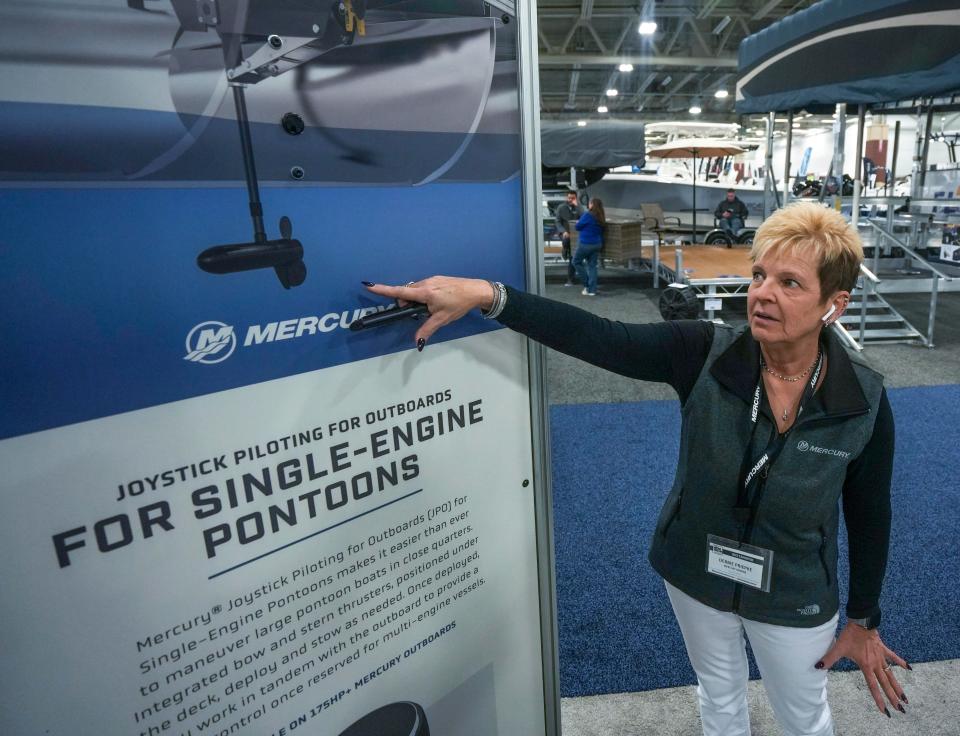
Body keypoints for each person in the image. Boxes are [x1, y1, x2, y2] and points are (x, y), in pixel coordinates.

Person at [365, 202, 909, 735]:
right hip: (694, 570)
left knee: (804, 717)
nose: (762, 293)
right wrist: (490, 296)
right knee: (719, 695)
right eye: (760, 274)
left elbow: (869, 513)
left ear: (833, 305)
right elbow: (602, 339)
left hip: (794, 590)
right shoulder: (706, 352)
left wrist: (863, 620)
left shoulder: (862, 399)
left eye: (790, 284)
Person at [572, 198, 605, 296]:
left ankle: (587, 285)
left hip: (586, 244)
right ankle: (592, 290)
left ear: (592, 204)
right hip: (597, 244)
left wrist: (579, 222)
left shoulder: (587, 215)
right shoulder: (601, 216)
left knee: (576, 262)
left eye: (589, 203)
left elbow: (577, 227)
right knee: (592, 266)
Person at [554, 190, 583, 286]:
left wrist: (578, 205)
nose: (570, 200)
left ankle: (570, 279)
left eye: (573, 198)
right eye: (569, 198)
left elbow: (585, 216)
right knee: (567, 243)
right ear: (566, 198)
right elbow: (557, 221)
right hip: (565, 233)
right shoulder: (561, 207)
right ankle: (565, 248)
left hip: (576, 235)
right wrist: (563, 231)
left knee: (573, 256)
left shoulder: (579, 207)